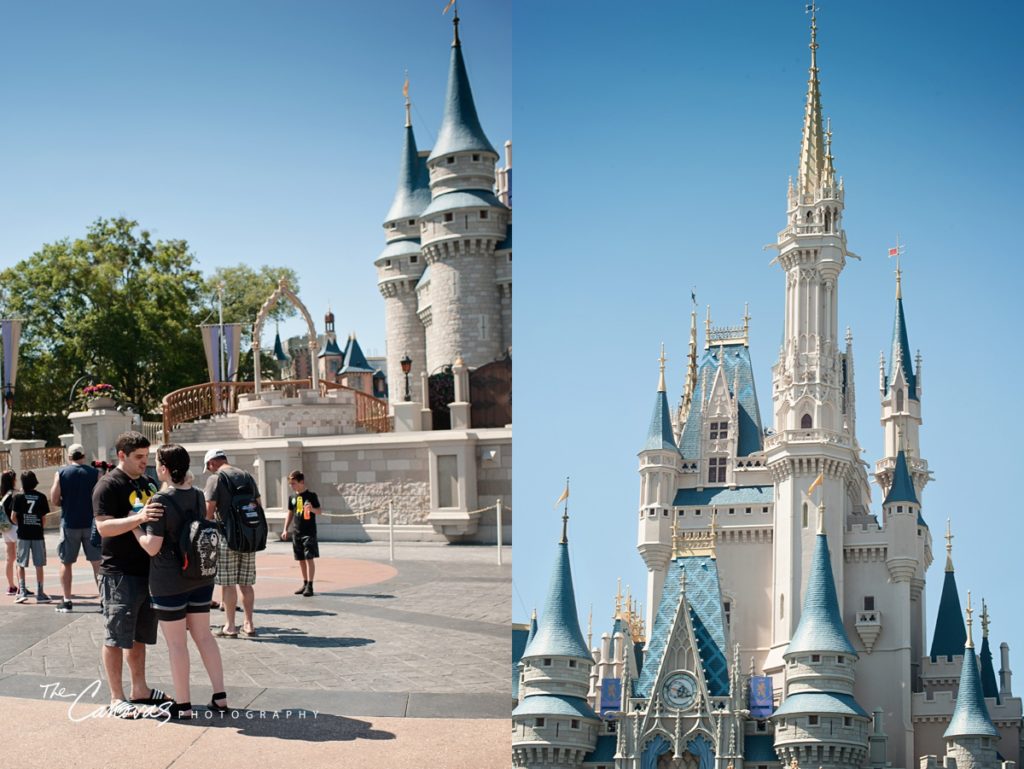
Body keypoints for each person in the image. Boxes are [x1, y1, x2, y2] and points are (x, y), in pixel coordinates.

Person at [134, 445, 227, 718]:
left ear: (164, 468)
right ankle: (219, 696)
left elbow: (152, 547)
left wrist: (135, 526)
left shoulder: (159, 501)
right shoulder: (198, 496)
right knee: (204, 636)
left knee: (176, 644)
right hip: (200, 577)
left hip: (168, 581)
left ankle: (184, 705)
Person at [93, 431, 169, 718]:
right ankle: (116, 697)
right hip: (119, 573)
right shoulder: (107, 485)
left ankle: (140, 689)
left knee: (139, 635)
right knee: (116, 636)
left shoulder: (148, 482)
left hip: (148, 571)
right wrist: (139, 518)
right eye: (138, 458)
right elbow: (103, 527)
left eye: (146, 457)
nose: (143, 463)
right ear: (121, 455)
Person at [203, 449, 260, 639]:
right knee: (246, 583)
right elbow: (257, 505)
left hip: (227, 537)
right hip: (249, 536)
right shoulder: (247, 476)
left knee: (228, 584)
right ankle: (249, 624)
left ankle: (230, 626)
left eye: (209, 467)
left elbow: (209, 512)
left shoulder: (216, 479)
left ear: (212, 463)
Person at [50, 443, 101, 612]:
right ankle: (104, 599)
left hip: (69, 523)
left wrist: (66, 503)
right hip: (90, 523)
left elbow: (55, 498)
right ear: (84, 455)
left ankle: (67, 599)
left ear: (69, 456)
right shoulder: (95, 473)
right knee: (97, 563)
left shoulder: (62, 473)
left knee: (66, 562)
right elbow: (100, 497)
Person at [11, 471, 51, 604]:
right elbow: (44, 519)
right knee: (39, 564)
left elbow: (13, 517)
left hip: (23, 534)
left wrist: (22, 524)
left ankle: (22, 591)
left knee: (20, 563)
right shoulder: (41, 497)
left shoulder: (18, 497)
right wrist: (38, 526)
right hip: (37, 534)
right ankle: (40, 592)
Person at [281, 470, 321, 597]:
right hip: (296, 532)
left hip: (309, 532)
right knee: (301, 559)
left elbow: (319, 511)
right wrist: (285, 529)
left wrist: (312, 509)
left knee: (309, 558)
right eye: (290, 484)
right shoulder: (292, 498)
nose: (291, 486)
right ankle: (304, 583)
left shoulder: (311, 495)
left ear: (301, 482)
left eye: (293, 483)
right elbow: (290, 513)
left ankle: (310, 585)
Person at [1, 470, 22, 597]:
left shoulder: (3, 494)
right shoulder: (15, 494)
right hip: (14, 527)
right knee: (20, 558)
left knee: (9, 559)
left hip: (5, 528)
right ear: (13, 480)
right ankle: (22, 586)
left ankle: (11, 586)